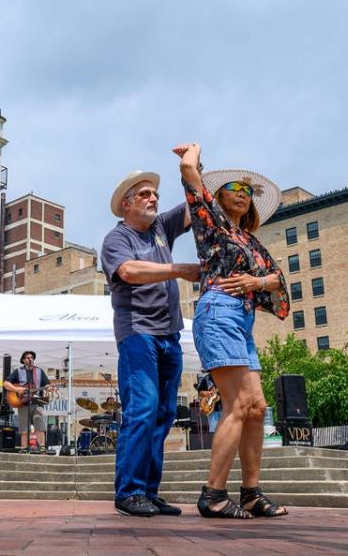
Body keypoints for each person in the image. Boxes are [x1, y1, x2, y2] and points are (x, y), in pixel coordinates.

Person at [174, 142, 290, 519]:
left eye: (247, 192)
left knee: (257, 408)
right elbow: (190, 174)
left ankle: (252, 493)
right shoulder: (212, 225)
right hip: (219, 312)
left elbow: (277, 278)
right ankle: (214, 494)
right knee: (238, 404)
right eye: (233, 190)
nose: (241, 196)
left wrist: (259, 283)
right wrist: (193, 153)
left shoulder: (252, 242)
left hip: (242, 321)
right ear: (218, 197)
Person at [101, 170, 200, 517]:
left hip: (169, 335)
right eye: (144, 194)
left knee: (163, 414)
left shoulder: (161, 228)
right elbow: (129, 272)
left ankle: (148, 491)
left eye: (155, 194)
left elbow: (196, 205)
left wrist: (193, 167)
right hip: (137, 333)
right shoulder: (117, 239)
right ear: (126, 204)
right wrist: (179, 269)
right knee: (142, 409)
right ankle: (128, 492)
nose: (153, 198)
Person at [3, 351, 53, 450]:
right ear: (23, 360)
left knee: (40, 425)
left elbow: (46, 384)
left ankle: (42, 448)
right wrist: (16, 389)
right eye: (27, 358)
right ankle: (24, 448)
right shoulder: (18, 371)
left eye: (32, 358)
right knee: (24, 429)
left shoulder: (39, 371)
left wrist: (48, 387)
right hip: (23, 403)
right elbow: (6, 384)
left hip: (37, 403)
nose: (30, 359)